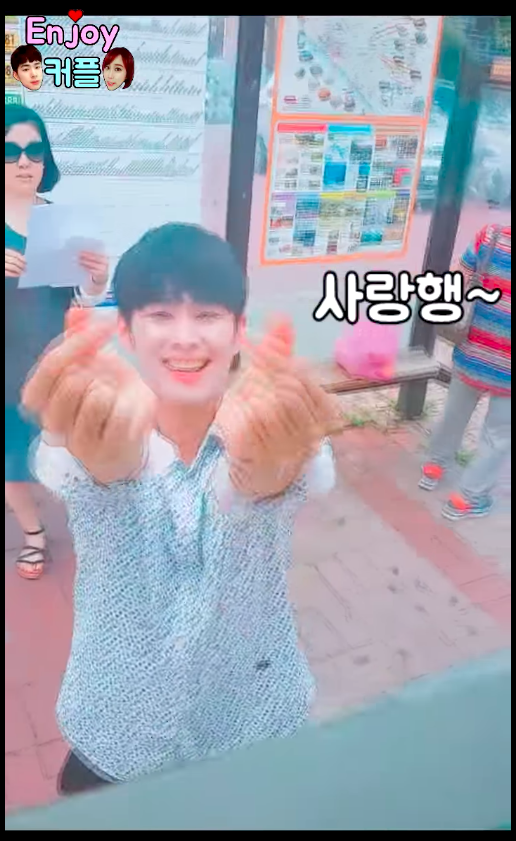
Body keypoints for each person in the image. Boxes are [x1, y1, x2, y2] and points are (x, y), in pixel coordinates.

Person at [22, 223, 341, 794]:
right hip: (118, 715)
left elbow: (303, 474)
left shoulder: (274, 430)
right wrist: (105, 466)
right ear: (126, 328)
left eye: (208, 316)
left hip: (252, 710)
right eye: (162, 316)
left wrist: (263, 478)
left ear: (239, 329)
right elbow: (71, 469)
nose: (186, 338)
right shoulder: (96, 431)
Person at [5, 104, 109, 579]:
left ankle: (92, 531)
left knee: (70, 456)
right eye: (10, 151)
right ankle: (33, 535)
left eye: (34, 150)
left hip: (53, 363)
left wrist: (96, 278)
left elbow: (79, 298)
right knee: (10, 463)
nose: (24, 161)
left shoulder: (60, 220)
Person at [419, 223, 511, 519]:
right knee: (497, 435)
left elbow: (457, 277)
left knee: (454, 414)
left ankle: (434, 467)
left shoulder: (492, 235)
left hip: (472, 350)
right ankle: (468, 498)